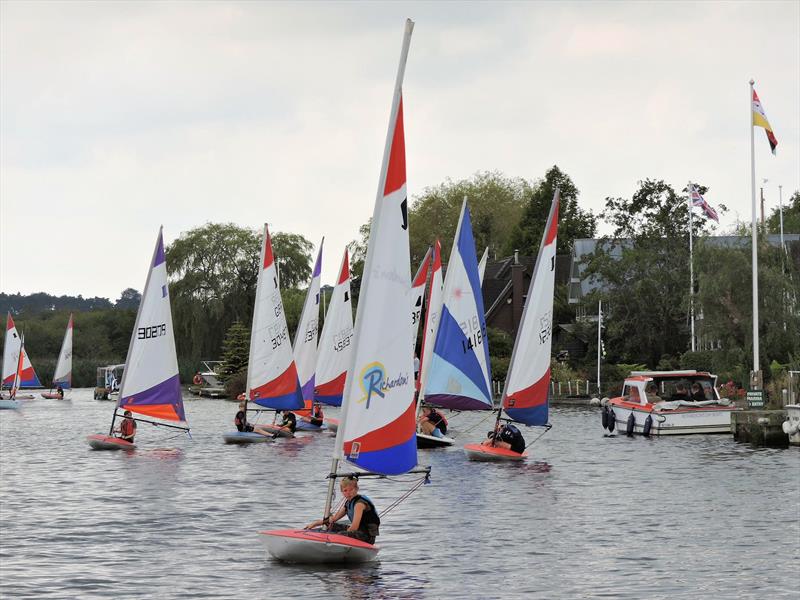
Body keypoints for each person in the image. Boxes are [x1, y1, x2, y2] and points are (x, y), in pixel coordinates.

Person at [304, 476, 380, 544]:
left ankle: (325, 541)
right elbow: (333, 519)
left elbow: (354, 527)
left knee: (340, 534)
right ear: (342, 492)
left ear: (357, 489)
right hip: (356, 532)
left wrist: (338, 535)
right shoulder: (348, 503)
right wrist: (316, 523)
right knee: (330, 526)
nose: (348, 493)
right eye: (345, 490)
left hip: (367, 537)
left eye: (351, 489)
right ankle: (311, 535)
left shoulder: (359, 504)